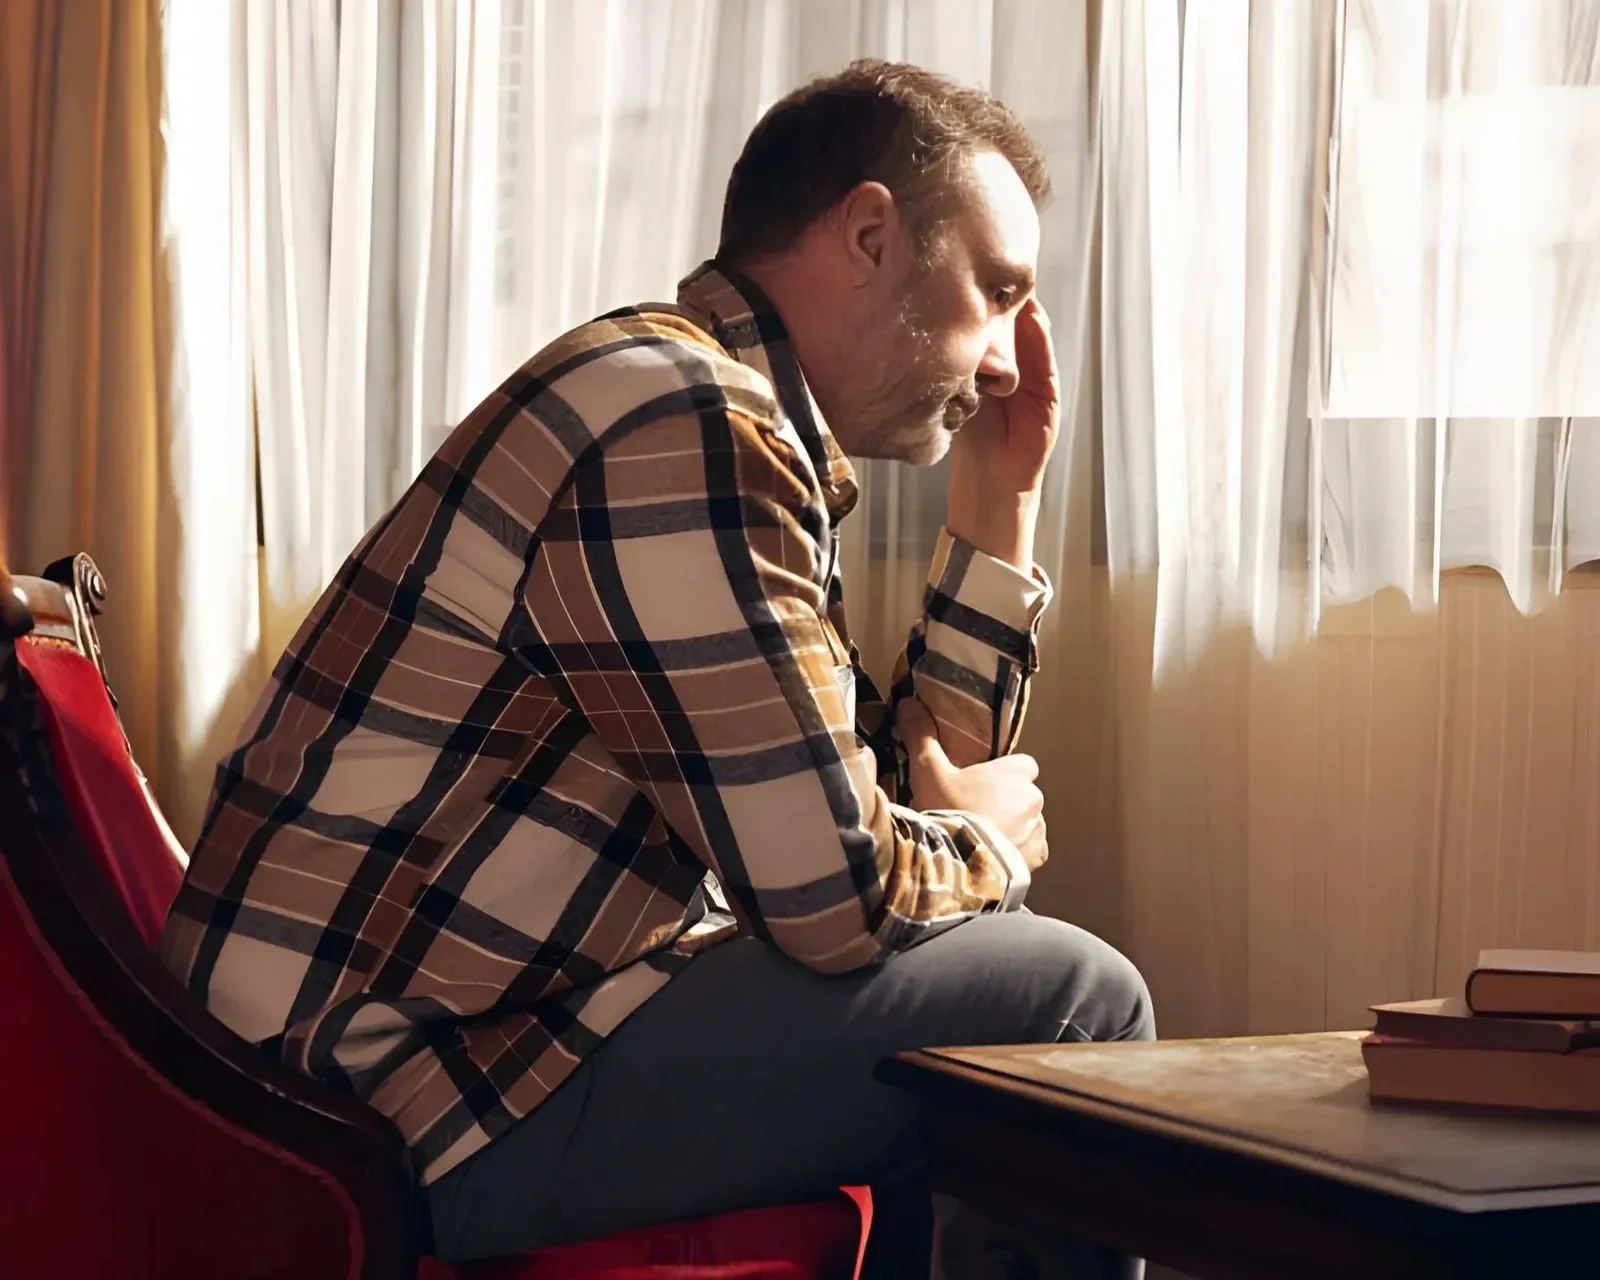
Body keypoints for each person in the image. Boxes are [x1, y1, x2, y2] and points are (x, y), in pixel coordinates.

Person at [160, 59, 1153, 1277]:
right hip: (379, 1103)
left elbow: (887, 801)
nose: (1007, 359)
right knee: (1073, 1002)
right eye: (996, 291)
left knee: (1000, 989)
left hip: (453, 1049)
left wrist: (999, 511)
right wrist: (988, 845)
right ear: (869, 233)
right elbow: (838, 901)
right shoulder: (687, 429)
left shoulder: (695, 405)